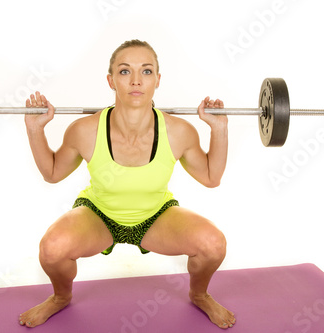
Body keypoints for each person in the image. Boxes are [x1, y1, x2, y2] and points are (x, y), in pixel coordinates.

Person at [19, 39, 236, 330]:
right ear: (111, 80)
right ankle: (60, 296)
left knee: (213, 244)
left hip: (156, 216)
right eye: (124, 71)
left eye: (146, 72)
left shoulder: (178, 132)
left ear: (158, 80)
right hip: (99, 215)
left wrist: (219, 129)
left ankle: (199, 294)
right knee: (52, 249)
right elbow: (53, 173)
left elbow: (211, 178)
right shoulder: (86, 130)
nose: (136, 80)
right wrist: (35, 130)